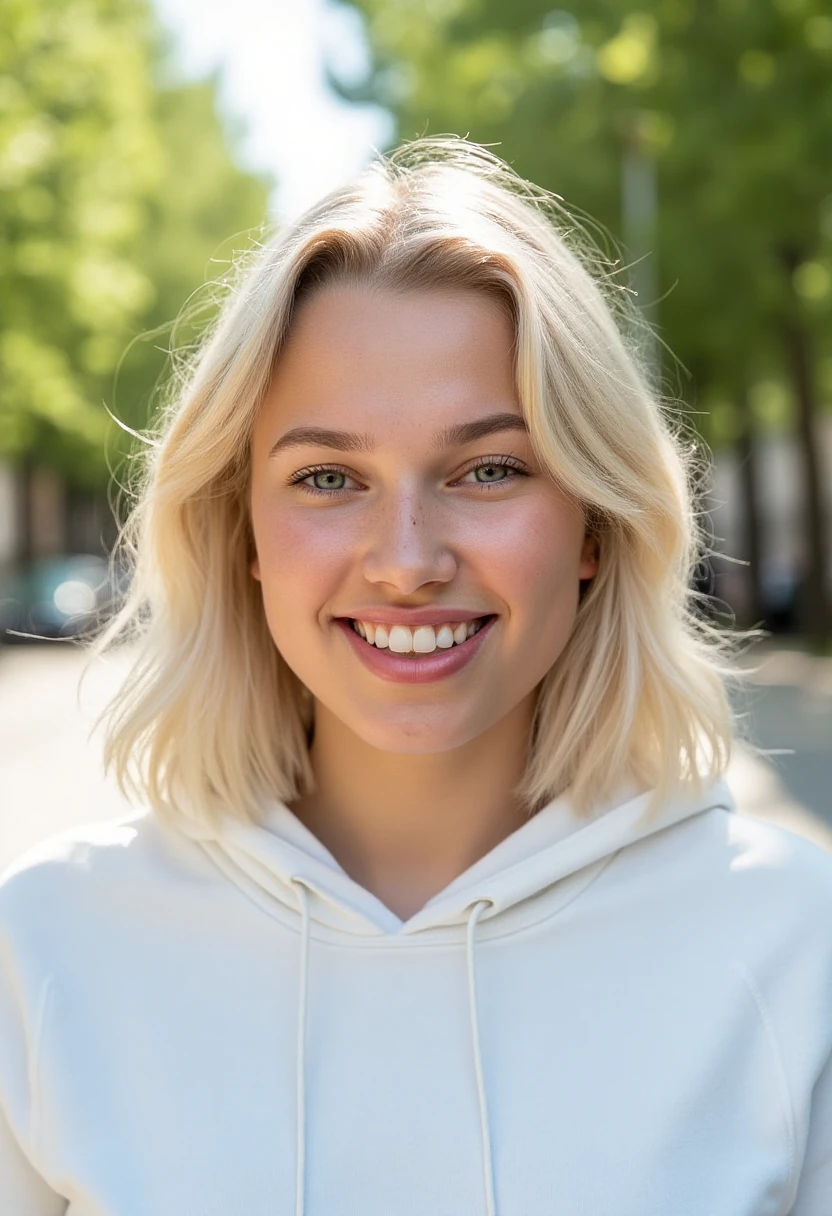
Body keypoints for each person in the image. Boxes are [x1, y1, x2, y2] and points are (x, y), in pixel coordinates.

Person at [1, 137, 830, 1216]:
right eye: (329, 477)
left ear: (593, 523)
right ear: (239, 528)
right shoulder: (49, 948)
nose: (405, 559)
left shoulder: (794, 942)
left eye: (488, 469)